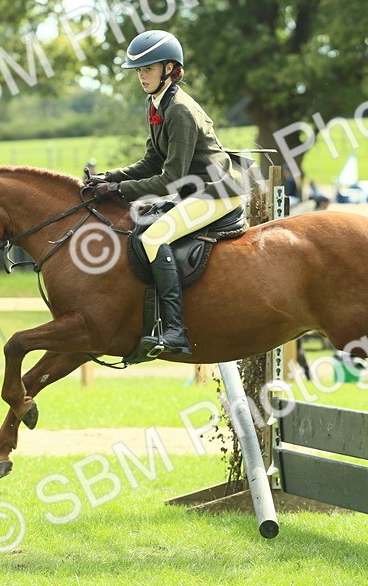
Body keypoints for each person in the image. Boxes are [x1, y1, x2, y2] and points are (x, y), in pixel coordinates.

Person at [85, 30, 249, 358]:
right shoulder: (157, 103)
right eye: (138, 70)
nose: (141, 76)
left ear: (170, 69)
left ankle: (175, 330)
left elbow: (171, 177)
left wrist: (119, 189)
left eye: (148, 69)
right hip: (195, 189)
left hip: (217, 193)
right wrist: (109, 177)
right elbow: (152, 161)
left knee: (153, 237)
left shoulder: (181, 111)